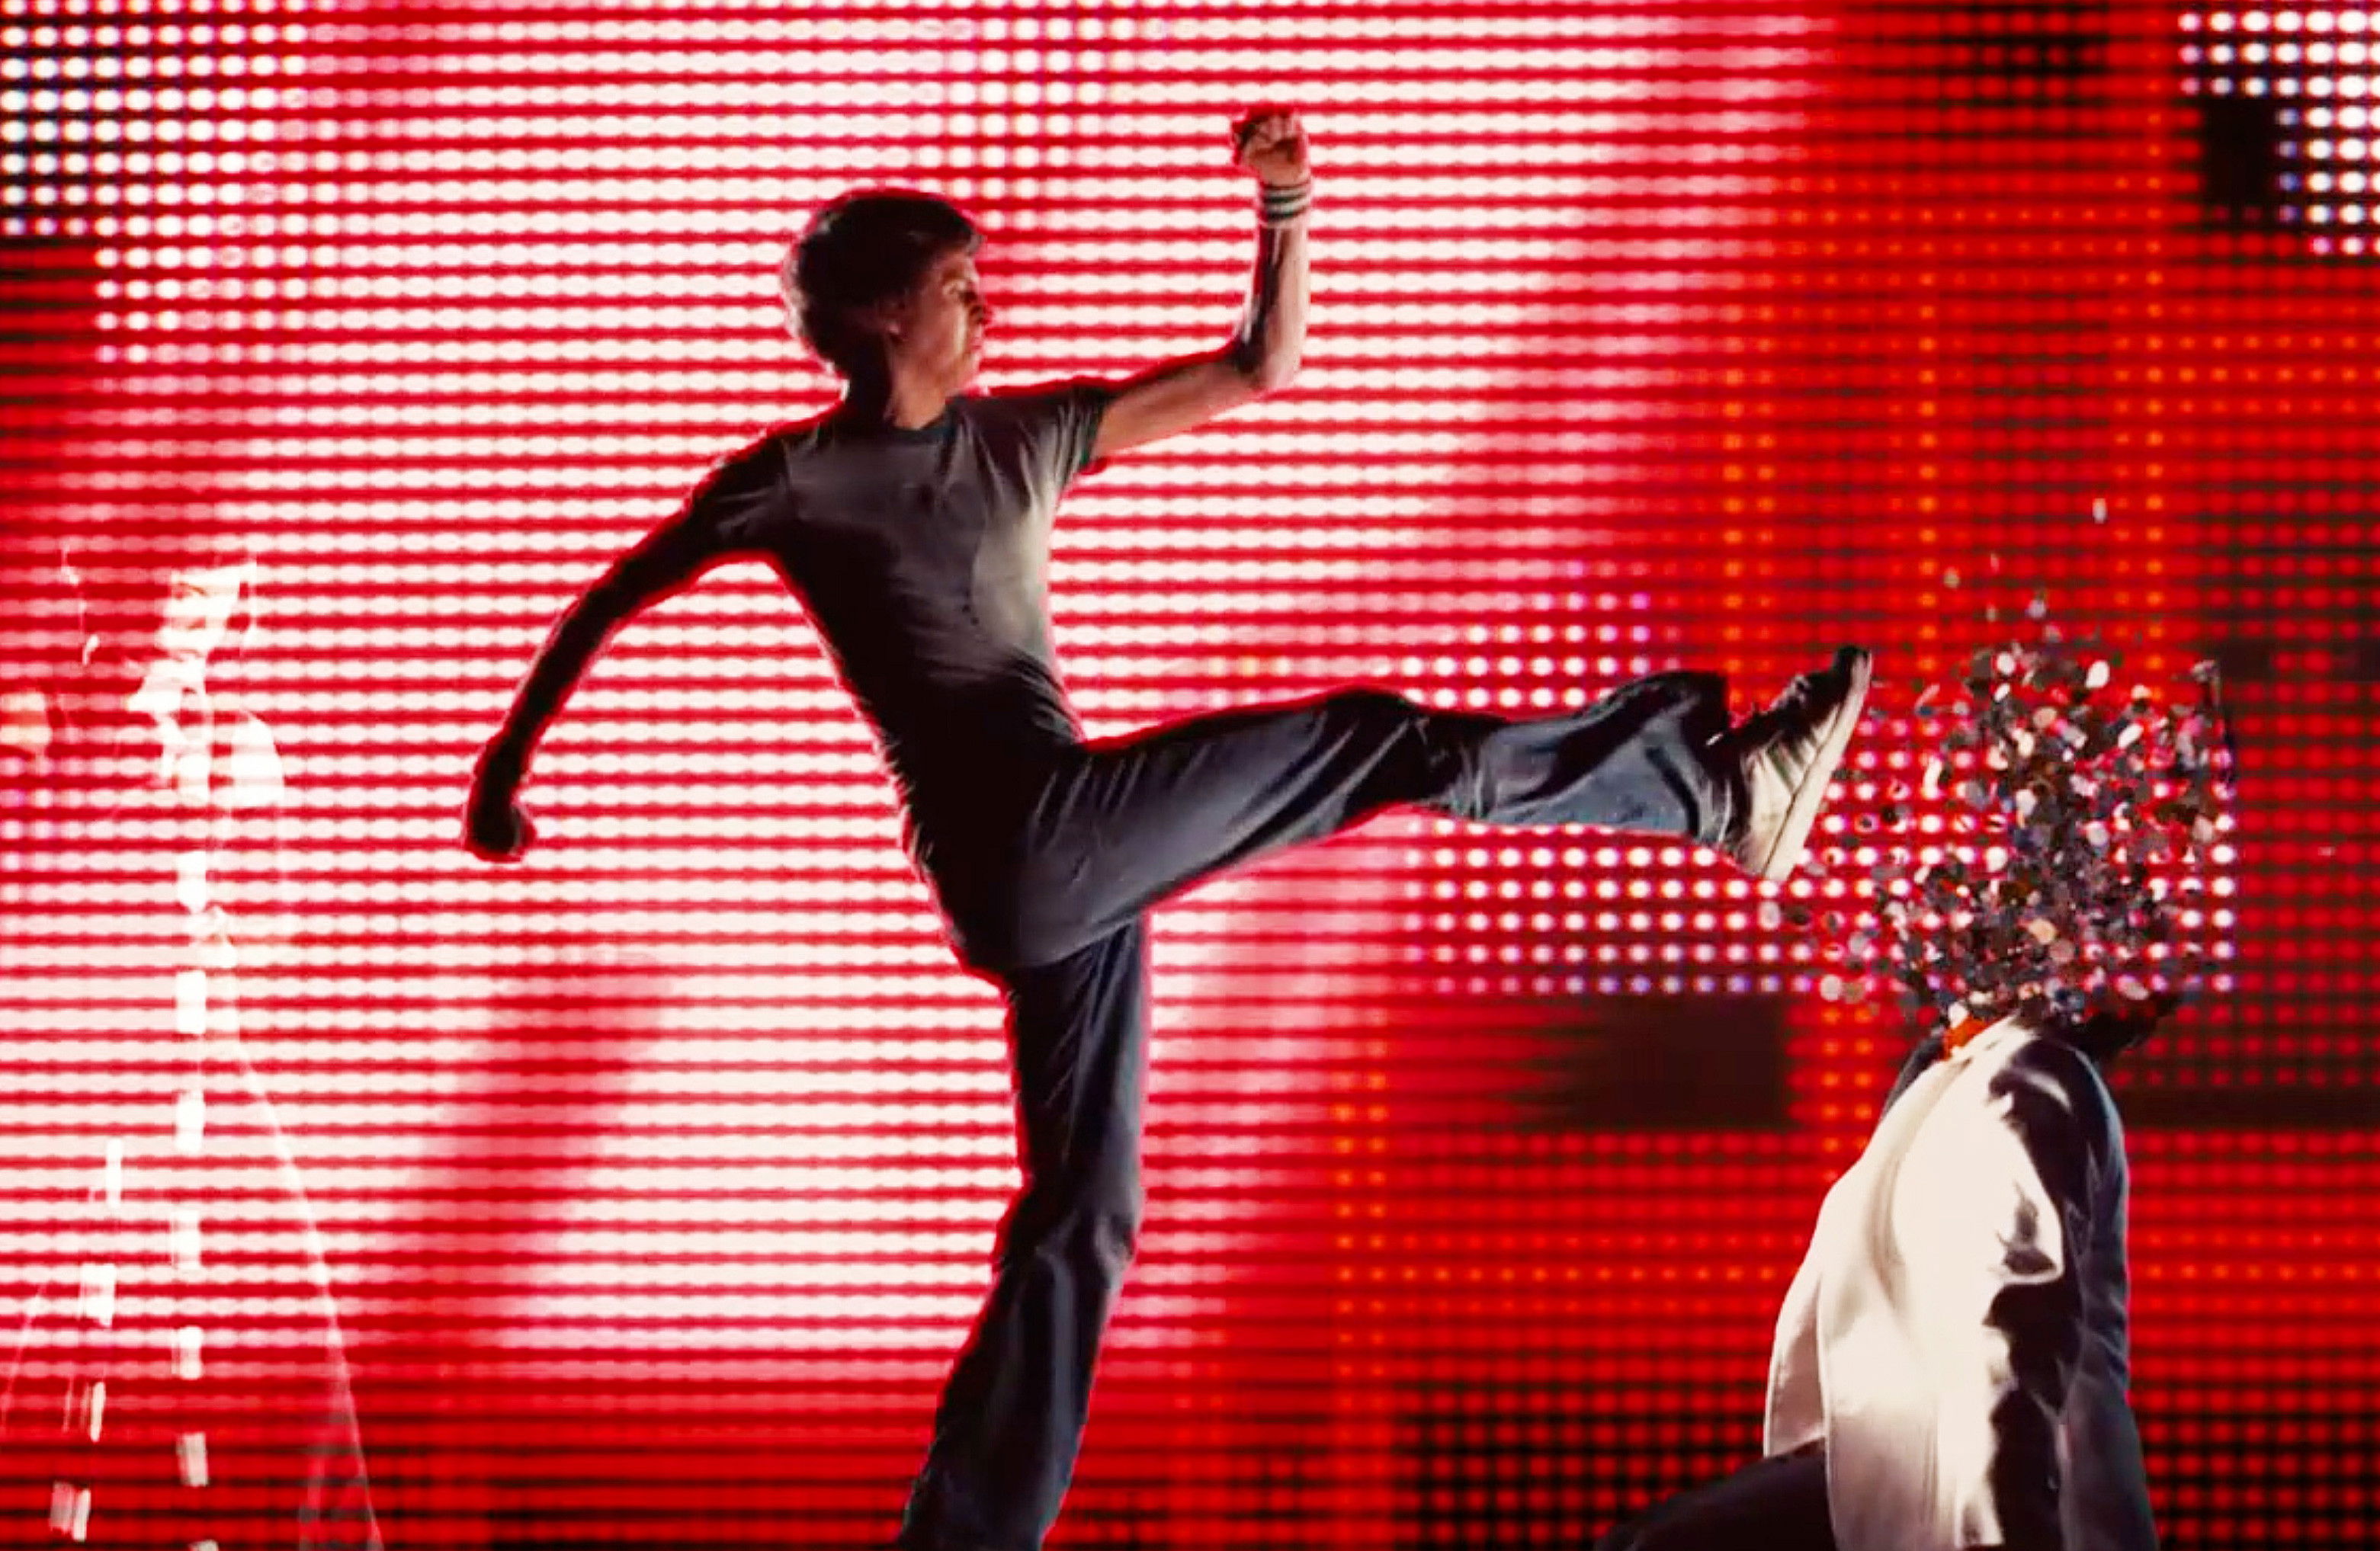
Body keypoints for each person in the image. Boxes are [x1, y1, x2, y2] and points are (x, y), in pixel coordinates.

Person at [457, 106, 1876, 1551]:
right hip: (1024, 840)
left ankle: (964, 1540)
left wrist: (1286, 210)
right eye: (957, 286)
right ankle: (1714, 792)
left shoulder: (1025, 435)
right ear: (883, 313)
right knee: (1369, 739)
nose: (985, 307)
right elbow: (613, 594)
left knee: (1085, 1214)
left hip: (1059, 862)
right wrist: (506, 771)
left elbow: (1259, 368)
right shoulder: (797, 479)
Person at [2, 545, 382, 1551]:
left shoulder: (237, 743)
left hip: (202, 1085)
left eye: (218, 589)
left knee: (283, 1310)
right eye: (179, 582)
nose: (198, 610)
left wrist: (226, 946)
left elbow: (275, 929)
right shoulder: (33, 720)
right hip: (65, 1097)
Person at [1596, 998, 2163, 1551]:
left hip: (1970, 1484)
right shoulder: (1971, 1074)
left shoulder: (2031, 1081)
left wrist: (2002, 1528)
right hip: (1907, 1468)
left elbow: (2016, 1332)